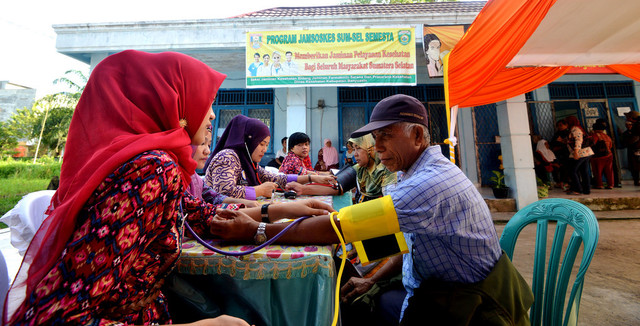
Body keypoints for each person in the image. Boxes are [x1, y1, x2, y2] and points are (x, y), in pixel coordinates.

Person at [3, 50, 334, 326]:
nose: (212, 116)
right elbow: (57, 315)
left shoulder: (160, 167)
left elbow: (204, 216)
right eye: (207, 102)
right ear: (173, 105)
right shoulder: (150, 169)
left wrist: (287, 210)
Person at [209, 94, 533, 326]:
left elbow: (335, 227)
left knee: (347, 297)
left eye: (385, 137)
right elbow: (411, 241)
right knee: (350, 277)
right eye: (374, 139)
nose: (376, 148)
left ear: (418, 136)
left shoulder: (427, 183)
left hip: (472, 308)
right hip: (441, 290)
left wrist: (256, 230)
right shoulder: (413, 171)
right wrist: (372, 277)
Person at [204, 115, 336, 200]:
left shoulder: (249, 162)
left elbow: (276, 178)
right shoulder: (228, 157)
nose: (265, 150)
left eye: (266, 145)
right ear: (247, 141)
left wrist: (311, 177)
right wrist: (260, 190)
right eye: (261, 144)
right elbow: (223, 193)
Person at [189, 134, 259, 207]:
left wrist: (243, 203)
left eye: (209, 145)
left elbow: (214, 197)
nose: (208, 151)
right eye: (202, 143)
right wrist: (259, 191)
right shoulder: (226, 157)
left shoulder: (195, 178)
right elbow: (225, 192)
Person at [565, 115, 594, 195]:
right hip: (585, 153)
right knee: (583, 171)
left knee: (573, 171)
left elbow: (578, 140)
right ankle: (586, 190)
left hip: (581, 153)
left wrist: (576, 152)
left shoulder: (575, 129)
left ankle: (578, 189)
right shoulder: (576, 128)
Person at [590, 120, 614, 189]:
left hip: (598, 157)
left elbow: (591, 144)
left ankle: (599, 184)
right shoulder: (607, 136)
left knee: (597, 171)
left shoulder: (594, 135)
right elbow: (610, 146)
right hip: (609, 155)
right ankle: (610, 184)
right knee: (609, 171)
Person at [549, 119, 571, 190]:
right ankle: (561, 183)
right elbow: (552, 143)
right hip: (559, 155)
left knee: (567, 169)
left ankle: (566, 183)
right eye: (558, 126)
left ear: (566, 125)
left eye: (561, 125)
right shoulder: (557, 134)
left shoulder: (569, 133)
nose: (559, 127)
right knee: (561, 169)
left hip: (567, 154)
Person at [622, 110, 640, 186]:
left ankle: (637, 180)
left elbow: (635, 138)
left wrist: (628, 141)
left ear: (631, 118)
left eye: (627, 117)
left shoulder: (637, 126)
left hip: (636, 150)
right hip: (635, 149)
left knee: (636, 166)